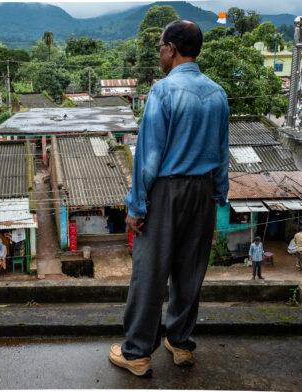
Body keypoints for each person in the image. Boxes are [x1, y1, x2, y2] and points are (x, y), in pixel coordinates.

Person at [108, 20, 229, 377]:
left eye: (161, 46)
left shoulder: (164, 92)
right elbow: (223, 152)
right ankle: (180, 343)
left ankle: (137, 352)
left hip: (168, 190)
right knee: (190, 272)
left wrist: (136, 207)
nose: (159, 52)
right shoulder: (217, 94)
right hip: (203, 191)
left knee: (150, 271)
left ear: (172, 49)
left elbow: (148, 157)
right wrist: (219, 193)